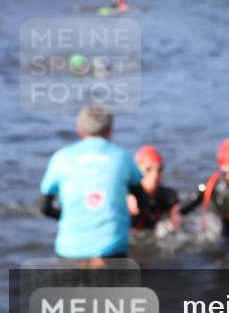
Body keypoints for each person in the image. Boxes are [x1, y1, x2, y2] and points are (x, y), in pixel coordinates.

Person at [38, 104, 148, 260]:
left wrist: (65, 216)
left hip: (70, 250)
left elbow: (44, 207)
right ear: (110, 130)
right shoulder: (122, 157)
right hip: (112, 249)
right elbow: (143, 201)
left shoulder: (61, 158)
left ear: (80, 130)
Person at [128, 145, 181, 231]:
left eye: (159, 169)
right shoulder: (129, 193)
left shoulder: (169, 195)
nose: (155, 175)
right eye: (148, 169)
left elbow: (177, 207)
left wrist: (175, 212)